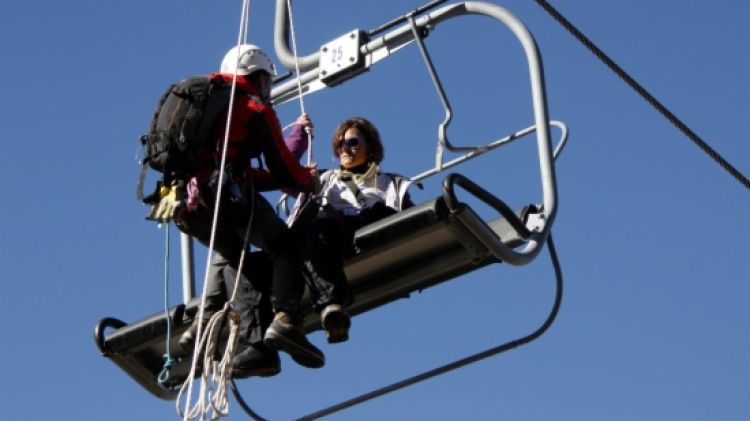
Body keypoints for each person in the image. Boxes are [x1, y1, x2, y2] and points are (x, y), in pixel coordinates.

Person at [172, 44, 325, 370]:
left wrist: (286, 179)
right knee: (285, 245)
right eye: (267, 82)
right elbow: (282, 166)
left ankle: (251, 345)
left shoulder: (211, 105)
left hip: (188, 206)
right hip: (226, 197)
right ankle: (286, 320)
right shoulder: (252, 107)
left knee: (235, 258)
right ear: (257, 77)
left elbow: (240, 170)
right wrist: (305, 181)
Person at [285, 116, 415, 344]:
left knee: (322, 228)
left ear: (370, 147)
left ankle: (331, 305)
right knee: (314, 228)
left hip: (361, 234)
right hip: (325, 235)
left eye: (353, 142)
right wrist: (299, 133)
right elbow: (283, 170)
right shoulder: (324, 179)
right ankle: (322, 312)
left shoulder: (389, 183)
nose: (345, 148)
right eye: (340, 143)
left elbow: (407, 216)